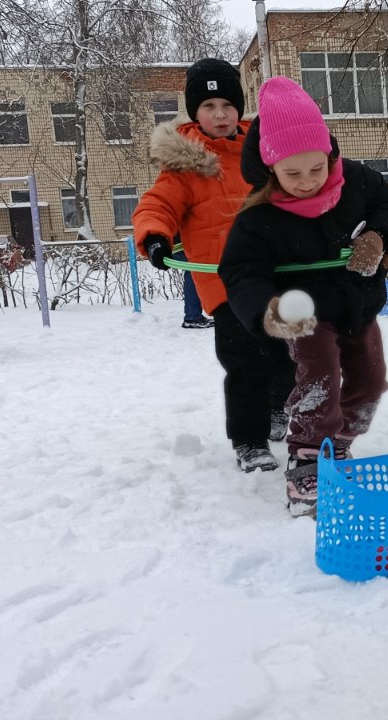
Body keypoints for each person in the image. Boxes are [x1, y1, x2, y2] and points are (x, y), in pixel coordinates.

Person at [219, 77, 388, 517]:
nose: (306, 182)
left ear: (329, 154)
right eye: (292, 174)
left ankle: (338, 443)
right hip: (304, 314)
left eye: (316, 169)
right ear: (271, 168)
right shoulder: (258, 215)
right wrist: (269, 312)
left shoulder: (356, 180)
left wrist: (379, 237)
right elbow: (241, 271)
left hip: (356, 302)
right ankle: (307, 459)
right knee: (318, 377)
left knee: (371, 380)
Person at [132, 57, 295, 472]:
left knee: (288, 353)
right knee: (244, 364)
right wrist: (155, 236)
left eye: (227, 105)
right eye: (209, 106)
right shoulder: (185, 165)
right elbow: (157, 204)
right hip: (226, 287)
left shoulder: (264, 151)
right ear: (194, 112)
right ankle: (250, 440)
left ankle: (278, 408)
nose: (220, 115)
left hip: (276, 275)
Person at [173, 243, 213, 328]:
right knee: (195, 267)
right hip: (176, 246)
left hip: (180, 246)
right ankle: (192, 317)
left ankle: (192, 316)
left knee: (195, 268)